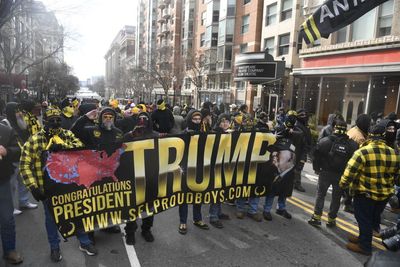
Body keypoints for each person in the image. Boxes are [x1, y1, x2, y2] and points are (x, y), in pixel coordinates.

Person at [19, 107, 97, 262]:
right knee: (51, 219)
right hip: (48, 189)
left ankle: (84, 242)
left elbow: (82, 150)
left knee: (78, 214)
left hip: (70, 187)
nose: (55, 123)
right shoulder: (35, 140)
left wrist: (64, 148)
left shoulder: (67, 135)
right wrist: (33, 187)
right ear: (45, 121)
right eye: (51, 120)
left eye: (58, 120)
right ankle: (54, 247)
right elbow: (24, 165)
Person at [340, 122, 400, 256]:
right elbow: (397, 176)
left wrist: (343, 185)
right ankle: (363, 238)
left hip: (365, 194)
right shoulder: (394, 153)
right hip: (384, 196)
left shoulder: (362, 152)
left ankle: (364, 246)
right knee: (372, 219)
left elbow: (349, 172)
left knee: (364, 219)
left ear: (370, 136)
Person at [71, 107, 124, 235]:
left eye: (110, 117)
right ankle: (90, 233)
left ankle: (108, 225)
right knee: (92, 203)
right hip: (92, 173)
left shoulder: (118, 132)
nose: (108, 119)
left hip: (110, 173)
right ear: (101, 118)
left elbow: (122, 150)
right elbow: (74, 131)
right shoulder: (92, 130)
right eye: (105, 116)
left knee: (108, 201)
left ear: (114, 119)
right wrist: (85, 118)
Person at [308, 120, 358, 227]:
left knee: (321, 195)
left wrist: (316, 169)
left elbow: (316, 156)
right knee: (336, 197)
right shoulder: (352, 145)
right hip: (341, 175)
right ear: (346, 130)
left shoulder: (325, 141)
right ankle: (331, 220)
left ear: (334, 128)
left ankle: (316, 217)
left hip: (325, 172)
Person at [123, 112, 157, 245]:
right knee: (132, 206)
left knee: (149, 207)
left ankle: (146, 229)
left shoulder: (154, 135)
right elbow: (117, 145)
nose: (142, 121)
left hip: (150, 176)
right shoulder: (130, 135)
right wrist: (131, 135)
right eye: (140, 119)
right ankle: (130, 232)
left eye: (145, 119)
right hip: (133, 176)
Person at [2, 102, 37, 215]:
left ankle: (24, 201)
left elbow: (26, 131)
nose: (19, 113)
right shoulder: (5, 123)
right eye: (16, 110)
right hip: (12, 158)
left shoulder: (21, 121)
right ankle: (10, 207)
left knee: (24, 182)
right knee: (11, 185)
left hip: (24, 156)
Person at [178, 110, 209, 234]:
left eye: (198, 119)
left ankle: (197, 219)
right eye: (194, 119)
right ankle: (183, 221)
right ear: (189, 119)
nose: (197, 121)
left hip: (199, 167)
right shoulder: (183, 134)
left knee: (198, 194)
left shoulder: (204, 133)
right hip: (186, 168)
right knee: (184, 197)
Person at [0, 123, 23, 264]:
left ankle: (9, 250)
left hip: (1, 181)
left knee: (7, 218)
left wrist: (6, 151)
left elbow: (18, 150)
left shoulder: (5, 130)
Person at [344, 113, 371, 213]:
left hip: (346, 158)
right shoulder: (361, 138)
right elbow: (363, 154)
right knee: (353, 183)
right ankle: (347, 203)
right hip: (354, 161)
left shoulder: (353, 129)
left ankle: (346, 199)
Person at [208, 114, 231, 228]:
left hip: (224, 166)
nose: (225, 123)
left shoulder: (227, 133)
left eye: (227, 121)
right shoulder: (215, 133)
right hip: (216, 167)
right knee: (216, 191)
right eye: (223, 121)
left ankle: (218, 212)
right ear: (218, 122)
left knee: (221, 190)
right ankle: (213, 216)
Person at [293, 109, 311, 192]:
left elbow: (308, 138)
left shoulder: (305, 125)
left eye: (305, 115)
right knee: (298, 167)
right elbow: (299, 138)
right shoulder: (297, 125)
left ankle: (295, 182)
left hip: (303, 149)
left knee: (299, 166)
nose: (305, 117)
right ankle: (296, 183)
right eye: (303, 115)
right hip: (298, 150)